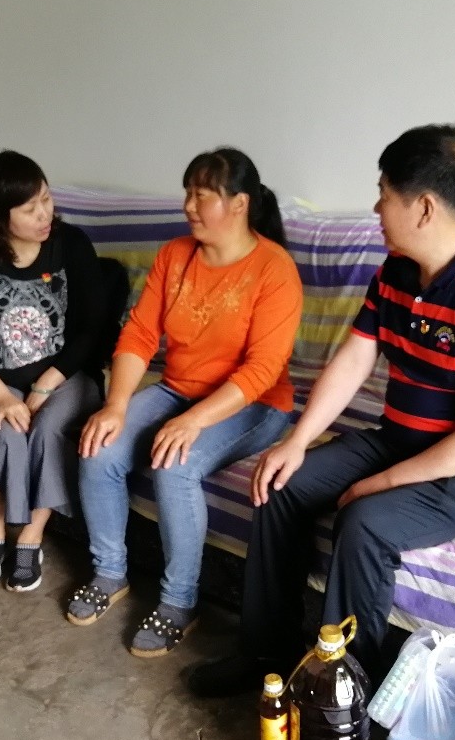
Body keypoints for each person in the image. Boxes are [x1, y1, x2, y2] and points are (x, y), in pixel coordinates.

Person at [188, 124, 455, 696]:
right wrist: (296, 441)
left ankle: (345, 693)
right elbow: (355, 358)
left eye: (384, 194)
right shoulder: (398, 270)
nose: (377, 208)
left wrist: (377, 484)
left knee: (365, 522)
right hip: (401, 440)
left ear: (424, 207)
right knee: (281, 483)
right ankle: (266, 655)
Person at [74, 147, 302, 657]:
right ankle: (109, 572)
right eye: (188, 194)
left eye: (202, 196)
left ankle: (180, 602)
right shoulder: (174, 255)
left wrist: (193, 421)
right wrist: (116, 405)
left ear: (239, 203)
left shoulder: (274, 269)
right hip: (178, 388)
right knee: (98, 446)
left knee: (175, 465)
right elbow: (139, 334)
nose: (189, 206)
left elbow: (263, 369)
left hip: (256, 405)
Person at [0, 150, 104, 593]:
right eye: (29, 208)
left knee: (48, 429)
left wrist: (45, 384)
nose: (44, 214)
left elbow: (92, 329)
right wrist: (0, 394)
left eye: (46, 199)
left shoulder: (71, 244)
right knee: (7, 434)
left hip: (67, 375)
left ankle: (30, 538)